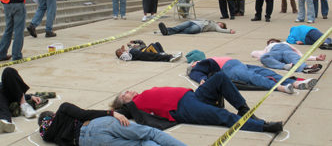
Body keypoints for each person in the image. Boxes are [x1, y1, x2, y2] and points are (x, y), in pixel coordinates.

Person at [112, 72, 284, 133]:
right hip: (183, 107)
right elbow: (117, 113)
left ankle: (244, 110)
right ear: (123, 102)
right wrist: (114, 112)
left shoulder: (143, 94)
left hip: (192, 95)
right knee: (222, 116)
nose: (128, 91)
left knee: (220, 77)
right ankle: (262, 127)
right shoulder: (132, 107)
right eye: (124, 94)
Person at [38, 102, 186, 146]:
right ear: (52, 114)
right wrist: (111, 113)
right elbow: (84, 114)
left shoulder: (49, 136)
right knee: (150, 133)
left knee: (142, 144)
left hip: (88, 142)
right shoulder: (63, 109)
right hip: (95, 124)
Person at [187, 57, 318, 94]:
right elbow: (196, 73)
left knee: (268, 73)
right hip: (229, 68)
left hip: (238, 64)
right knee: (253, 78)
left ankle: (296, 83)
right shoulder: (198, 66)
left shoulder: (206, 60)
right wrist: (202, 79)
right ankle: (281, 87)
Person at [0, 67, 41, 133]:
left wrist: (30, 96)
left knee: (8, 71)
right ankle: (3, 120)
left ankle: (24, 104)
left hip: (4, 91)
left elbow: (12, 88)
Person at [251, 38, 325, 73]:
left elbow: (299, 54)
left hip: (287, 51)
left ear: (277, 41)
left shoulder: (285, 43)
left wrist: (316, 58)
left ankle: (306, 68)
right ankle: (285, 66)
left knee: (295, 57)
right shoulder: (268, 48)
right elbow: (254, 53)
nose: (271, 42)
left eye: (273, 41)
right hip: (275, 53)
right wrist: (262, 54)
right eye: (270, 42)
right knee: (264, 58)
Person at [115, 43, 182, 62]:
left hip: (142, 51)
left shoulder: (130, 49)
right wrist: (122, 51)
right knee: (154, 55)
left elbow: (142, 43)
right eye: (119, 51)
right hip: (140, 54)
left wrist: (135, 44)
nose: (121, 50)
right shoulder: (123, 56)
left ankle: (166, 55)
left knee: (157, 44)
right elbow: (123, 54)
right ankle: (169, 57)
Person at [158, 19, 235, 36]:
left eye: (222, 26)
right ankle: (167, 31)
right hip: (193, 22)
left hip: (198, 28)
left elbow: (220, 30)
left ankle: (167, 31)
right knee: (179, 27)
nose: (220, 25)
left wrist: (229, 30)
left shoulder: (216, 26)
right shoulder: (211, 21)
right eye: (221, 24)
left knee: (185, 30)